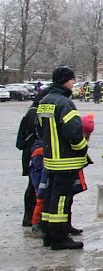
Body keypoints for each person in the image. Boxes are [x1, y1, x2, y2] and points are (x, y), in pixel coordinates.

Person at [36, 66, 91, 250]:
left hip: (51, 159)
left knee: (50, 196)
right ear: (64, 80)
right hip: (65, 161)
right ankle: (59, 237)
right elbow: (74, 133)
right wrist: (83, 148)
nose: (74, 82)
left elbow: (38, 129)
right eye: (72, 79)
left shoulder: (44, 101)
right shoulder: (65, 103)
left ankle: (48, 232)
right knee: (61, 200)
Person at [16, 89, 48, 227]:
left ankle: (30, 215)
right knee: (34, 185)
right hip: (33, 153)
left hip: (30, 153)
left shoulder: (32, 111)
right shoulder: (34, 113)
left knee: (33, 184)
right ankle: (30, 216)